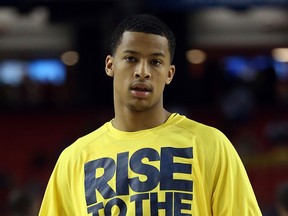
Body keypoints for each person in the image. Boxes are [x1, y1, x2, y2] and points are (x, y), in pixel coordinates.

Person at [39, 14, 262, 215]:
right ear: (110, 65)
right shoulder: (74, 158)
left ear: (169, 73)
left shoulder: (210, 144)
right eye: (131, 58)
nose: (142, 71)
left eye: (155, 62)